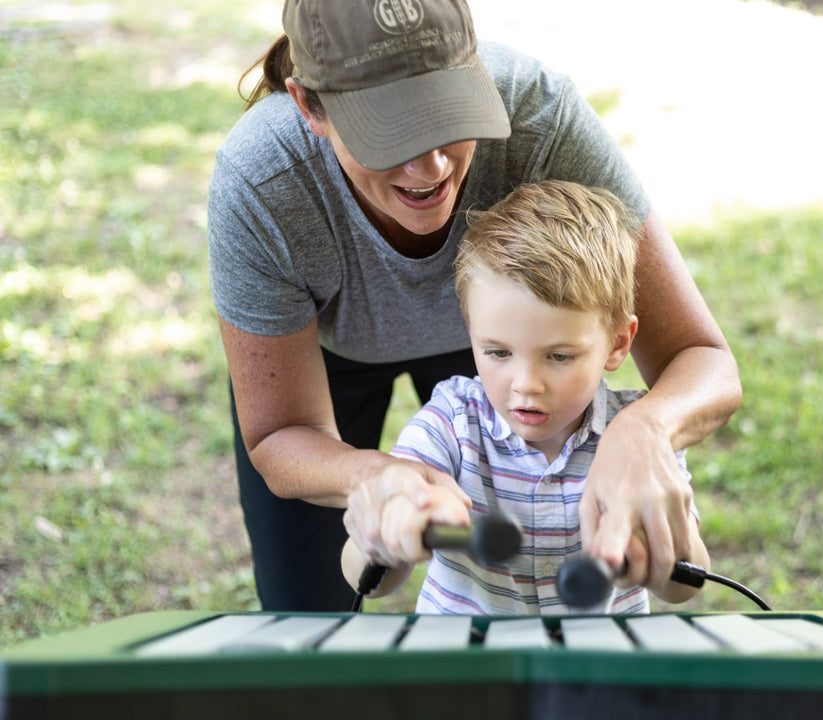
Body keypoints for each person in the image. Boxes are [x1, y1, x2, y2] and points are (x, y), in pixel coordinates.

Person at [208, 0, 741, 612]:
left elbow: (702, 357)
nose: (431, 167)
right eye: (389, 133)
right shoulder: (261, 180)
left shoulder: (539, 116)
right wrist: (376, 484)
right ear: (310, 108)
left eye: (444, 115)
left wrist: (645, 430)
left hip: (505, 335)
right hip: (335, 354)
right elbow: (282, 434)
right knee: (305, 610)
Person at [341, 181, 711, 613]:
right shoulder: (451, 422)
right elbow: (365, 578)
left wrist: (660, 551)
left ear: (616, 343)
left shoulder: (637, 441)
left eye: (558, 356)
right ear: (470, 326)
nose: (525, 384)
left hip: (597, 673)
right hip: (468, 672)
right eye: (498, 352)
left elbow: (686, 586)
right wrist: (388, 536)